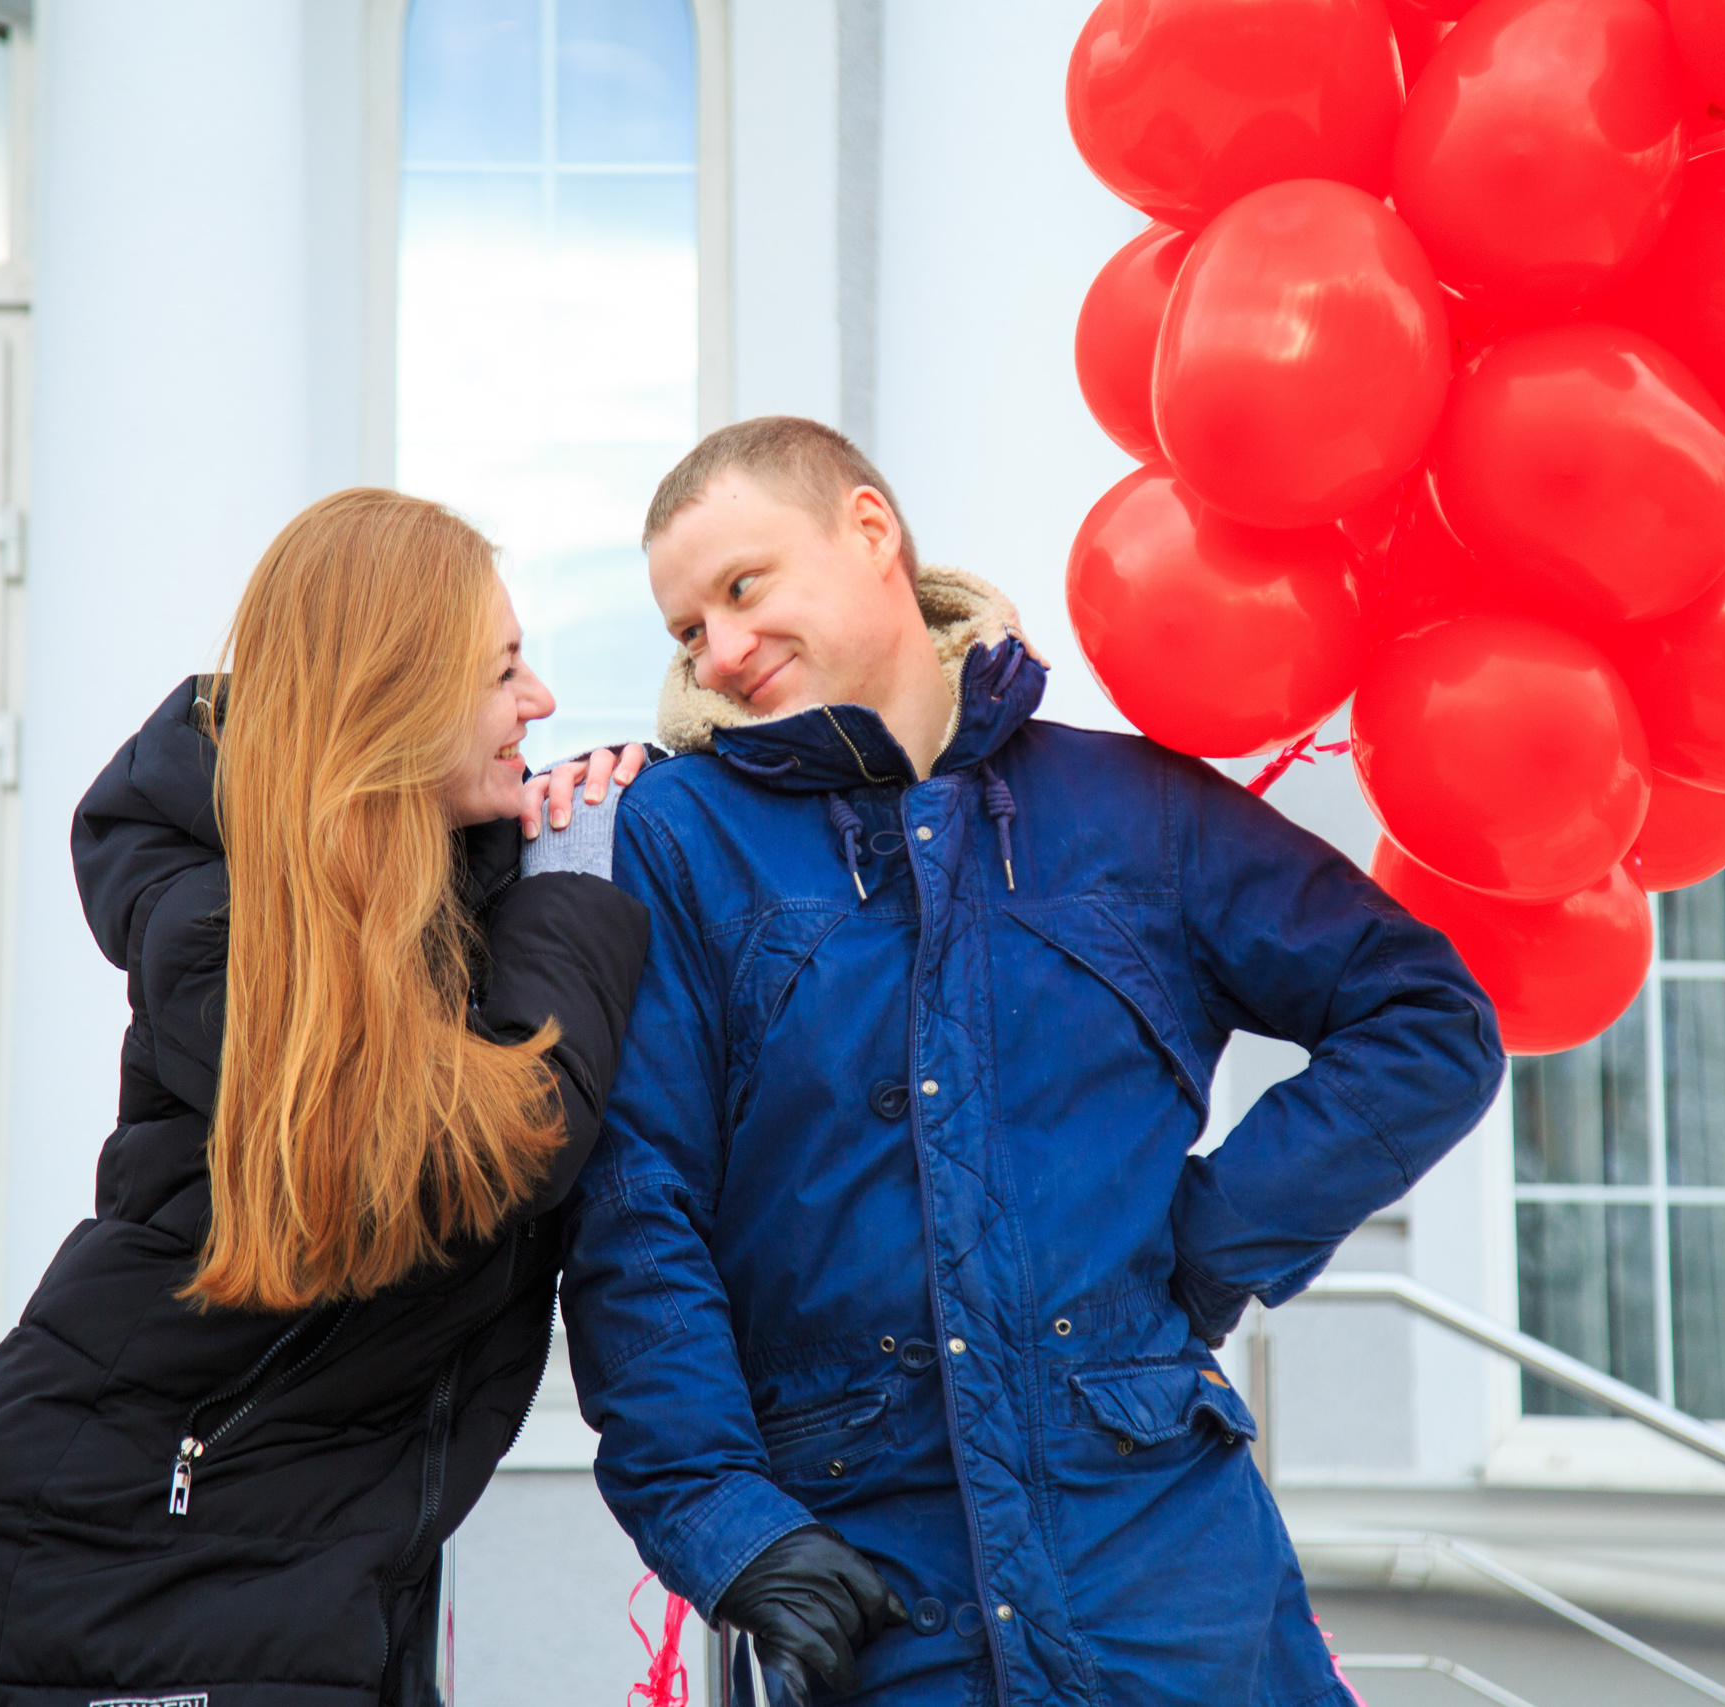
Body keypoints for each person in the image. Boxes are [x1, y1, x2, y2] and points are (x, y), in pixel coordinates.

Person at [559, 418, 1507, 1707]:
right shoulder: (677, 838)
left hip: (1164, 1573)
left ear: (869, 532)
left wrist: (1207, 1242)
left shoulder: (1131, 810)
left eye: (743, 588)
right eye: (685, 633)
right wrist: (730, 1527)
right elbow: (635, 1218)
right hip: (873, 1585)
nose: (721, 653)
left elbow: (1426, 1020)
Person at [0, 489, 652, 1706]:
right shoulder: (221, 921)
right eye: (503, 670)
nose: (540, 703)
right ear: (391, 696)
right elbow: (478, 1151)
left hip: (301, 1555)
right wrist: (568, 898)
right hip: (111, 1556)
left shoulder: (424, 901)